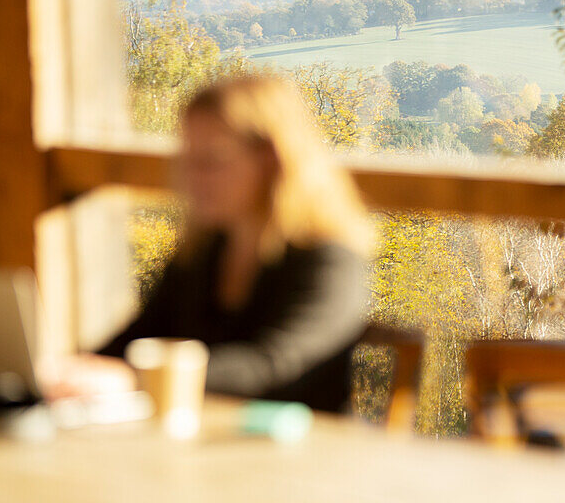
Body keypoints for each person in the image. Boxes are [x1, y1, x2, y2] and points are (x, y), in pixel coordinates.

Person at [44, 75, 373, 412]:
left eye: (212, 160)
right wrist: (71, 371)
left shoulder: (330, 259)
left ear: (272, 160)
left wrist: (134, 378)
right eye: (188, 159)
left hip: (301, 453)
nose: (192, 177)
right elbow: (142, 334)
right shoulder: (205, 249)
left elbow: (275, 364)